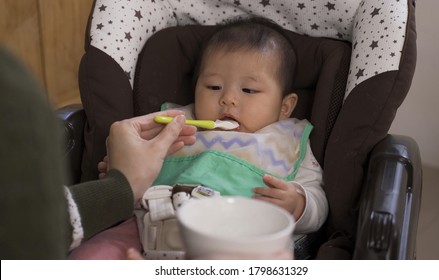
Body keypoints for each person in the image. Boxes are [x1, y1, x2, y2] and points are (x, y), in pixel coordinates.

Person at [70, 17, 327, 260]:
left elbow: (318, 199)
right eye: (214, 87)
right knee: (93, 254)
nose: (228, 99)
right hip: (151, 225)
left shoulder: (287, 141)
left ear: (285, 106)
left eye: (248, 90)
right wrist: (119, 178)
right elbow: (134, 169)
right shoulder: (173, 125)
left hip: (239, 238)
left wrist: (300, 203)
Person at [0, 46, 196, 259]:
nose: (228, 99)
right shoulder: (11, 91)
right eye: (214, 86)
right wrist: (121, 187)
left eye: (241, 90)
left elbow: (28, 224)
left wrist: (118, 186)